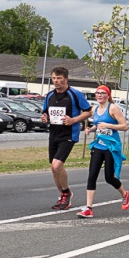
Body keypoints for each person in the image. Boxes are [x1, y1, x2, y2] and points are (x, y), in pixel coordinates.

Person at [39, 66, 92, 209]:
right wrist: (44, 117)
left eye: (59, 78)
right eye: (54, 78)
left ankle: (66, 193)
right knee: (53, 167)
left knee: (57, 165)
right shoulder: (49, 95)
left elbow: (89, 112)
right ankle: (63, 194)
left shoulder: (75, 94)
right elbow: (46, 112)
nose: (56, 81)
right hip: (54, 133)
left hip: (69, 134)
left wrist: (73, 120)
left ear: (66, 79)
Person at [79, 85, 129, 218]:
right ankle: (88, 208)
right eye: (97, 93)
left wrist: (109, 125)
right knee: (92, 176)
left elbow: (124, 126)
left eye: (102, 93)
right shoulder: (95, 109)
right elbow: (98, 124)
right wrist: (91, 129)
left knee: (109, 177)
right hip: (98, 146)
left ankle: (125, 194)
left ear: (108, 95)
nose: (100, 95)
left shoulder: (112, 108)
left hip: (111, 147)